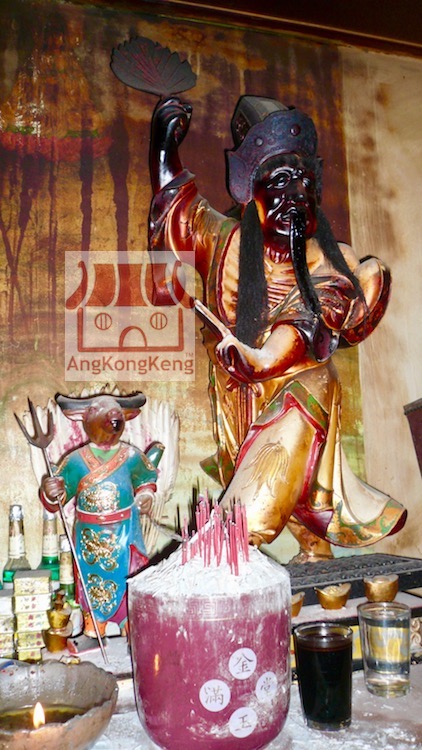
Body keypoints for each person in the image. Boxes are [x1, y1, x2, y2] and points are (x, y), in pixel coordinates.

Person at [148, 94, 406, 557]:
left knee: (308, 395)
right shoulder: (223, 238)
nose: (297, 195)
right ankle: (307, 551)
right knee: (281, 476)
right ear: (253, 191)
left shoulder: (333, 260)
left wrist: (262, 360)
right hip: (238, 399)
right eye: (282, 180)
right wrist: (165, 146)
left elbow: (317, 318)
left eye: (306, 183)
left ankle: (232, 542)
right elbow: (178, 216)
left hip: (298, 388)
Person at [41, 392, 163, 635]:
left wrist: (146, 496)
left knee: (129, 577)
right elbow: (58, 499)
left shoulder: (131, 456)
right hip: (90, 537)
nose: (111, 416)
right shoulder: (76, 461)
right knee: (91, 580)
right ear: (84, 418)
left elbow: (145, 479)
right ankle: (94, 626)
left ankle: (129, 624)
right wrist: (51, 490)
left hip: (125, 533)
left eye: (116, 412)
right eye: (100, 411)